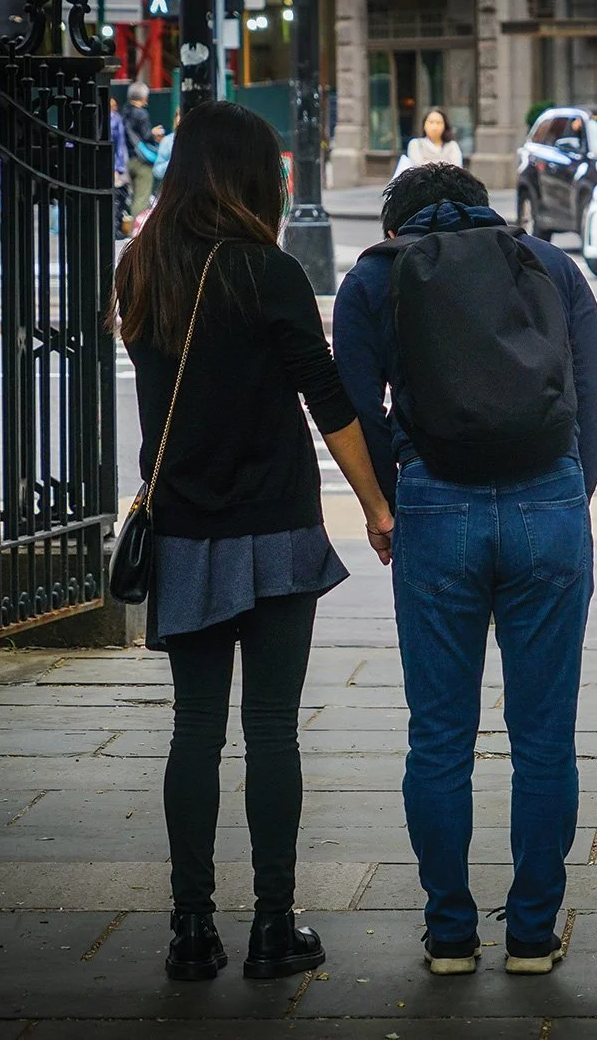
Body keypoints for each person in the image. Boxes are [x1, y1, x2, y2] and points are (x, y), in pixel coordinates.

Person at [108, 101, 396, 983]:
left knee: (193, 729)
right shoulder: (266, 271)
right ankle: (276, 926)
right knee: (272, 729)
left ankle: (190, 930)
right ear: (250, 178)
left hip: (188, 530)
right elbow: (328, 398)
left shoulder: (138, 271)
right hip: (273, 527)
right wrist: (376, 506)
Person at [331, 163, 597, 978]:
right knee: (545, 738)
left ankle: (450, 933)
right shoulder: (552, 267)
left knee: (441, 736)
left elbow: (353, 402)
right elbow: (592, 394)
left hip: (434, 508)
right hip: (548, 505)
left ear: (399, 225)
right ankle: (531, 932)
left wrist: (393, 501)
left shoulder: (376, 279)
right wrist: (571, 491)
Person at [121, 81, 164, 219]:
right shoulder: (142, 114)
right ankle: (137, 232)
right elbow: (146, 137)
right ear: (144, 97)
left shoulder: (124, 112)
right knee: (142, 198)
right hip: (142, 162)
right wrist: (155, 133)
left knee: (131, 196)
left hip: (127, 159)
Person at [110, 98, 131, 239]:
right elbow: (120, 145)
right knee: (115, 198)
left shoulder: (116, 119)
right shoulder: (116, 119)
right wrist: (118, 168)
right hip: (113, 165)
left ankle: (114, 228)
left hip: (110, 164)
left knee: (115, 198)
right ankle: (114, 228)